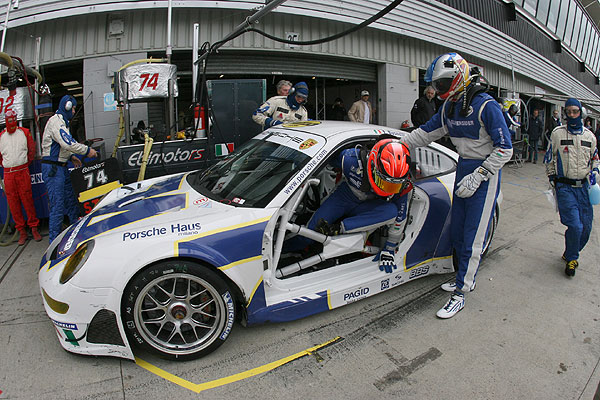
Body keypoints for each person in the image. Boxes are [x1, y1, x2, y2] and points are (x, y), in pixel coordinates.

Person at [399, 53, 512, 319]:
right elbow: (425, 133)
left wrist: (480, 175)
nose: (438, 89)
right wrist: (398, 144)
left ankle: (462, 291)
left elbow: (505, 148)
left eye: (442, 83)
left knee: (473, 235)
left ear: (458, 76)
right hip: (463, 166)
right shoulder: (449, 106)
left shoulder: (486, 105)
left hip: (484, 172)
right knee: (458, 231)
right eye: (436, 85)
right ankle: (460, 275)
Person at [291, 138, 413, 273]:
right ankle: (284, 249)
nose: (389, 189)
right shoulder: (349, 159)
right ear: (371, 165)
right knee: (311, 231)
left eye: (394, 185)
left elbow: (400, 218)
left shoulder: (402, 186)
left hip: (371, 205)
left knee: (391, 211)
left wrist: (389, 249)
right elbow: (318, 156)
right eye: (384, 183)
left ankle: (338, 229)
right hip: (345, 196)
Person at [544, 98, 598, 277]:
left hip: (584, 188)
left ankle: (569, 252)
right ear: (565, 113)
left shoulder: (590, 136)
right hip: (565, 187)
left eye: (576, 111)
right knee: (575, 226)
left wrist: (595, 172)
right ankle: (572, 259)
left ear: (581, 113)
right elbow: (549, 158)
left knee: (586, 229)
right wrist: (553, 179)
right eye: (569, 112)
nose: (572, 115)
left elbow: (595, 159)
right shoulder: (558, 134)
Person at [41, 95, 98, 243]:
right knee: (58, 207)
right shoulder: (56, 122)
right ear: (66, 107)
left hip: (62, 167)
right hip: (53, 170)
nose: (73, 111)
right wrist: (87, 151)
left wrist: (72, 156)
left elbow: (62, 146)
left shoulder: (63, 123)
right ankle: (53, 243)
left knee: (71, 201)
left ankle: (74, 235)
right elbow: (67, 143)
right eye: (72, 108)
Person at [0, 109, 42, 245]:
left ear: (16, 119)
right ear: (6, 121)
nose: (11, 122)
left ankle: (34, 228)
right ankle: (22, 232)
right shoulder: (1, 136)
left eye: (13, 119)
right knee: (13, 203)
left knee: (27, 200)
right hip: (8, 173)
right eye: (9, 120)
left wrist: (24, 164)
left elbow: (31, 150)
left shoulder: (24, 132)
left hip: (22, 171)